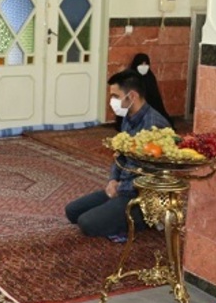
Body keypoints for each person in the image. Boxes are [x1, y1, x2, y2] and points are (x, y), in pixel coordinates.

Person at [65, 70, 171, 237]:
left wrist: (121, 188)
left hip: (142, 197)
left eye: (115, 96)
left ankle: (147, 219)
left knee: (87, 223)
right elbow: (120, 155)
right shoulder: (128, 118)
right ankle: (117, 212)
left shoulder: (155, 126)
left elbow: (151, 174)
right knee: (72, 211)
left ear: (132, 96)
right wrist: (113, 180)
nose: (112, 102)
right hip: (123, 188)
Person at [115, 53, 174, 131]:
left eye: (146, 64)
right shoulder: (131, 78)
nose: (144, 67)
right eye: (141, 64)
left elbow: (155, 97)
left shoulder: (150, 77)